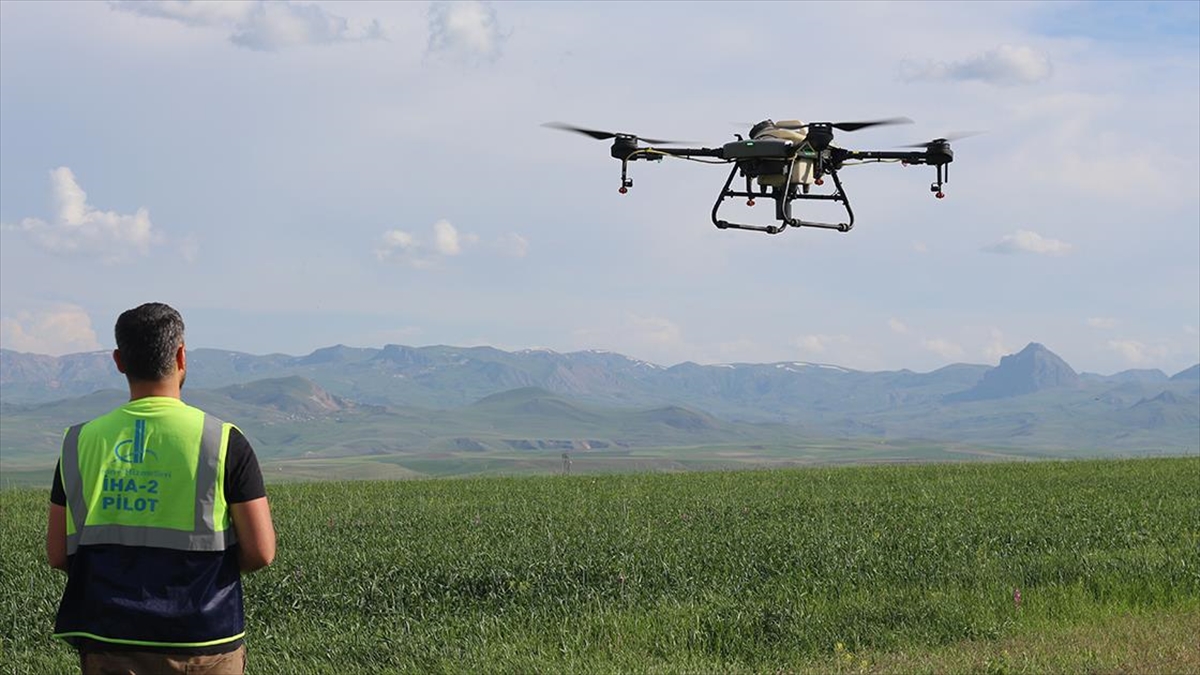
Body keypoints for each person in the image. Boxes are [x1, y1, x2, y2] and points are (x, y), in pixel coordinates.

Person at [46, 302, 276, 675]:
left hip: (109, 638)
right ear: (181, 355)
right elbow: (261, 552)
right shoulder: (222, 441)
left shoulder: (78, 443)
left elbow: (58, 554)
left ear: (119, 361)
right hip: (204, 641)